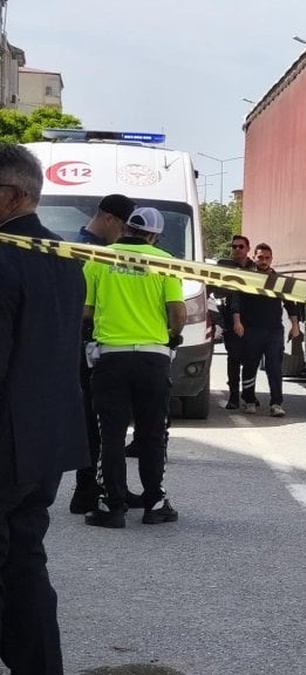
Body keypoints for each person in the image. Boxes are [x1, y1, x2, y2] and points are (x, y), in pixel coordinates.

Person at [0, 144, 90, 674]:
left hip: (5, 438)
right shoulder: (63, 257)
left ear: (10, 195)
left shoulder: (4, 257)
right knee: (24, 563)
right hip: (46, 441)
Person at [84, 206, 184, 528]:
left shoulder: (99, 258)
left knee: (110, 434)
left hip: (111, 356)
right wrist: (171, 336)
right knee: (152, 433)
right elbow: (178, 312)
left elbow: (85, 310)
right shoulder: (165, 262)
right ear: (154, 235)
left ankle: (112, 506)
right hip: (153, 358)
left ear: (127, 228)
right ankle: (155, 502)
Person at [69, 193, 136, 515]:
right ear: (109, 218)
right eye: (122, 227)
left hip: (93, 346)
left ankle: (104, 486)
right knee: (96, 422)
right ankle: (87, 489)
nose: (123, 235)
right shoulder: (85, 252)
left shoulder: (91, 248)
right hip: (87, 346)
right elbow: (80, 307)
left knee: (102, 421)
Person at [231, 243, 301, 417]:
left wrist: (295, 325)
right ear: (254, 257)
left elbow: (290, 304)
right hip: (252, 330)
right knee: (250, 366)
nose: (263, 261)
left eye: (267, 258)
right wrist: (237, 322)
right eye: (260, 257)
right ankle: (248, 400)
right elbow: (236, 301)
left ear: (272, 259)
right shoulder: (247, 278)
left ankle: (276, 403)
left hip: (274, 331)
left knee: (274, 368)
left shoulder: (279, 281)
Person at [216, 235, 256, 410]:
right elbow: (213, 290)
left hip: (253, 320)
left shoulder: (255, 269)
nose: (237, 250)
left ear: (248, 248)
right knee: (233, 359)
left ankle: (249, 395)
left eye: (241, 246)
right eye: (234, 247)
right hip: (230, 320)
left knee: (251, 359)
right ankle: (233, 396)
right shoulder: (224, 266)